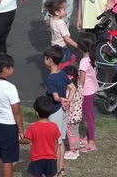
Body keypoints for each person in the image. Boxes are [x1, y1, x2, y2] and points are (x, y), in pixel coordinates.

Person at [0, 53, 24, 177]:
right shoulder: (10, 88)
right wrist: (21, 129)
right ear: (5, 69)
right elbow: (16, 111)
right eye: (11, 67)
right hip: (8, 126)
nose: (13, 69)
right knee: (8, 159)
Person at [43, 46, 76, 176]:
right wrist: (68, 100)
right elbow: (72, 88)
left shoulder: (50, 78)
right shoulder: (62, 73)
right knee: (61, 140)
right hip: (63, 111)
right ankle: (60, 169)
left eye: (45, 59)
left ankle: (54, 171)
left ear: (50, 60)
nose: (44, 61)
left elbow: (56, 98)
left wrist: (62, 100)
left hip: (54, 111)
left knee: (54, 142)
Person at [20, 96, 60, 177]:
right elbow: (56, 143)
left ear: (36, 113)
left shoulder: (33, 127)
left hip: (36, 159)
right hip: (51, 159)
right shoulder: (54, 126)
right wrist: (54, 156)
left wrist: (19, 139)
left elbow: (27, 141)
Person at [76, 33, 99, 153]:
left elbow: (82, 80)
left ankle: (92, 142)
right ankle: (87, 137)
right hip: (90, 91)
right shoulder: (90, 58)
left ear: (80, 47)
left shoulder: (83, 62)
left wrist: (78, 93)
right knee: (89, 115)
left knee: (88, 117)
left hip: (85, 93)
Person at [44, 0, 77, 69]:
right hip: (61, 48)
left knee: (56, 66)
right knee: (65, 65)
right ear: (57, 12)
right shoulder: (61, 23)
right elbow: (66, 38)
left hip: (54, 46)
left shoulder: (52, 19)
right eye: (64, 9)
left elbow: (47, 22)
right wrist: (77, 46)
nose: (65, 11)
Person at [62, 65, 83, 160]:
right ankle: (77, 149)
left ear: (69, 77)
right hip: (78, 115)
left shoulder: (69, 90)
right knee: (75, 133)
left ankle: (73, 151)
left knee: (71, 134)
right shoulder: (79, 86)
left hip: (71, 117)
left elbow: (66, 104)